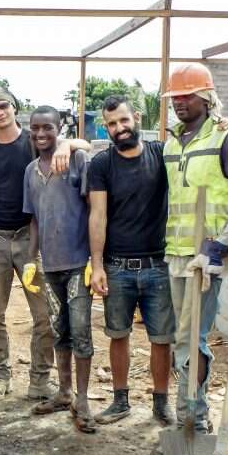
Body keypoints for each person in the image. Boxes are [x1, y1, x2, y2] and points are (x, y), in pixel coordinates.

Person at [154, 64, 228, 455]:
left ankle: (193, 422)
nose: (179, 103)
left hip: (207, 257)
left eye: (187, 96)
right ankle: (189, 421)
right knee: (183, 335)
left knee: (190, 338)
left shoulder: (227, 137)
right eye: (174, 97)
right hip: (176, 252)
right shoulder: (171, 143)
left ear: (207, 98)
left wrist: (221, 245)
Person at [0, 87, 90, 402]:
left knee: (44, 315)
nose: (0, 113)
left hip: (30, 239)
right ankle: (1, 376)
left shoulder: (33, 142)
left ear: (14, 108)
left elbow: (83, 146)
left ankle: (39, 380)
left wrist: (67, 142)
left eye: (4, 106)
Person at [88, 95, 175, 427]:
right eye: (111, 124)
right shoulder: (102, 164)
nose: (119, 128)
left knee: (161, 338)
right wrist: (97, 265)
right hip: (117, 266)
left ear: (136, 118)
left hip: (159, 264)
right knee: (118, 334)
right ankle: (120, 400)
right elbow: (98, 216)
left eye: (123, 121)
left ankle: (161, 403)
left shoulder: (162, 154)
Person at [22, 106, 96, 432]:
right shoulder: (30, 172)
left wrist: (96, 258)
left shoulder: (76, 161)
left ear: (58, 129)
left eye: (47, 128)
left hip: (80, 263)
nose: (41, 134)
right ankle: (64, 392)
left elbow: (95, 209)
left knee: (81, 331)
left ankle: (83, 399)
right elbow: (35, 219)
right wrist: (29, 258)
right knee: (59, 328)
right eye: (35, 129)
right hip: (50, 265)